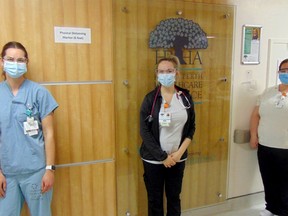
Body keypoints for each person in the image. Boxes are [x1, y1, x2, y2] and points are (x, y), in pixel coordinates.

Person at [0, 41, 58, 216]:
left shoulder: (39, 93)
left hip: (36, 172)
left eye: (20, 60)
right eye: (10, 59)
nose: (15, 64)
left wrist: (49, 170)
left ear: (26, 63)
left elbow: (49, 134)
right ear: (2, 62)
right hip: (7, 173)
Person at [139, 56, 195, 216]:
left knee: (174, 198)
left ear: (176, 73)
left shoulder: (185, 97)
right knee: (155, 200)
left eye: (169, 71)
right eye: (162, 71)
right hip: (154, 159)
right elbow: (144, 132)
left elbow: (191, 128)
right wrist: (162, 157)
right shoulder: (150, 99)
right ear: (157, 74)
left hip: (177, 159)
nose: (165, 74)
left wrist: (178, 154)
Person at [250, 58, 288, 216]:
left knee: (285, 183)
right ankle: (271, 207)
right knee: (268, 179)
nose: (285, 73)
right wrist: (253, 135)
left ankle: (284, 211)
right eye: (283, 70)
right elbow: (255, 115)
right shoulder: (268, 92)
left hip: (285, 148)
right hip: (265, 145)